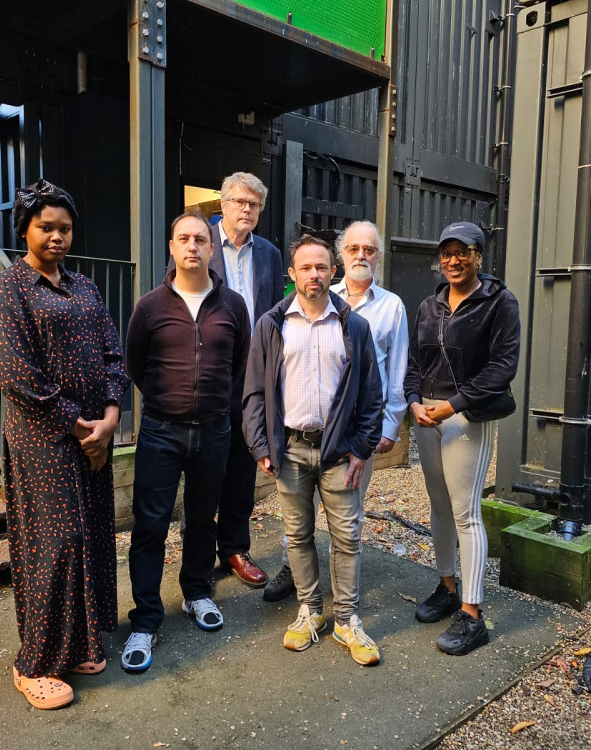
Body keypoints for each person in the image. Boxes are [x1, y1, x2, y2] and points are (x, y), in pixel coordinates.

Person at [0, 179, 129, 709]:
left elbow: (114, 355)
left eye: (65, 228)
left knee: (90, 536)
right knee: (55, 544)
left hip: (94, 435)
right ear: (25, 228)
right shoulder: (8, 289)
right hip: (45, 440)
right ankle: (35, 663)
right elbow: (20, 377)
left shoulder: (85, 287)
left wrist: (110, 417)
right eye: (46, 227)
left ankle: (81, 644)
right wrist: (80, 426)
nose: (57, 237)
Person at [243, 234, 383, 665]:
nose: (314, 275)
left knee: (347, 536)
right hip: (291, 451)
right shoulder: (271, 325)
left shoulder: (354, 326)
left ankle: (346, 619)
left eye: (322, 267)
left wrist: (362, 448)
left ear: (333, 272)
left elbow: (371, 395)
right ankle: (309, 611)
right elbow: (253, 394)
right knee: (298, 535)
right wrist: (261, 445)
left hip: (339, 453)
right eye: (305, 268)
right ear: (292, 274)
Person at [122, 212, 251, 672]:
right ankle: (146, 618)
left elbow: (238, 365)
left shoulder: (233, 305)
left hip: (214, 430)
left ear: (212, 249)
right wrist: (166, 400)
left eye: (201, 238)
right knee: (150, 526)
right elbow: (135, 364)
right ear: (172, 248)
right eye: (184, 239)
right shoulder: (150, 307)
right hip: (160, 431)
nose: (192, 246)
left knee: (202, 519)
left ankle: (196, 593)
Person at [264, 221, 409, 602]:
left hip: (354, 430)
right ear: (341, 256)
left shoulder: (388, 307)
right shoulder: (304, 304)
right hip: (300, 434)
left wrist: (382, 432)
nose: (361, 255)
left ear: (377, 256)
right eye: (354, 248)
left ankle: (345, 604)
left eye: (370, 249)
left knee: (348, 520)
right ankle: (295, 577)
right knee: (297, 520)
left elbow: (393, 375)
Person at [403, 221, 520, 656]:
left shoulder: (499, 302)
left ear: (478, 255)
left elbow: (502, 366)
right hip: (427, 417)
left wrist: (453, 405)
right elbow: (413, 360)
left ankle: (473, 614)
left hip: (466, 416)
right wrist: (413, 400)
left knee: (466, 511)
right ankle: (448, 586)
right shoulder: (429, 304)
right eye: (446, 252)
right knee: (438, 505)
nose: (453, 260)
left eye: (463, 252)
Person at [171, 172, 285, 587]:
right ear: (224, 204)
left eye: (254, 205)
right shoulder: (197, 244)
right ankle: (196, 552)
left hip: (252, 375)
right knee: (204, 467)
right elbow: (175, 305)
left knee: (243, 464)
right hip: (209, 374)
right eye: (239, 202)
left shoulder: (270, 254)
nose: (246, 211)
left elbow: (274, 316)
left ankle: (235, 547)